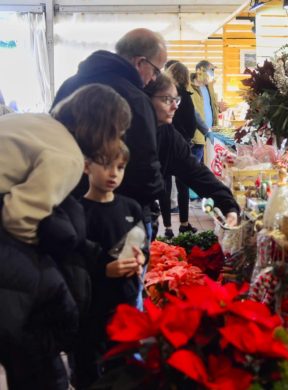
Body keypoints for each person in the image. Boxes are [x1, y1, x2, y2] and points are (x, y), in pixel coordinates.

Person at [0, 83, 131, 389]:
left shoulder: (39, 123)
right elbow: (19, 217)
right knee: (37, 356)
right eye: (119, 132)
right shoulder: (68, 156)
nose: (120, 140)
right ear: (105, 129)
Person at [52, 28, 168, 238]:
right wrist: (149, 203)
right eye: (156, 70)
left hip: (67, 206)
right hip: (121, 216)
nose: (153, 79)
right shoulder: (137, 99)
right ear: (140, 62)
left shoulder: (68, 86)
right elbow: (145, 164)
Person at [74, 141, 145, 389]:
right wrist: (103, 270)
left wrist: (140, 259)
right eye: (105, 165)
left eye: (120, 167)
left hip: (125, 303)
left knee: (124, 369)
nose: (113, 173)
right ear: (86, 166)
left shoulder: (131, 207)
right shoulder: (77, 212)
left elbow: (141, 245)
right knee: (88, 371)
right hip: (91, 309)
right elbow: (74, 260)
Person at [144, 73, 240, 230]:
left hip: (145, 216)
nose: (175, 106)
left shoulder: (169, 134)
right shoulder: (129, 130)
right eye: (167, 100)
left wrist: (228, 205)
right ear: (147, 100)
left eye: (177, 100)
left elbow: (196, 171)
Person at [165, 61, 203, 235]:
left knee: (164, 186)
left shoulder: (164, 95)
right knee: (183, 187)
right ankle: (184, 223)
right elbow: (191, 122)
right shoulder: (186, 96)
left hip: (164, 145)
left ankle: (166, 227)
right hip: (182, 146)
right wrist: (187, 138)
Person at [190, 60, 227, 165]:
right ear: (199, 71)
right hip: (196, 134)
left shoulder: (209, 86)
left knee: (204, 166)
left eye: (212, 72)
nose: (212, 75)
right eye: (210, 71)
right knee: (194, 165)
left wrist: (219, 108)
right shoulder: (189, 87)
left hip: (209, 131)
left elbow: (208, 106)